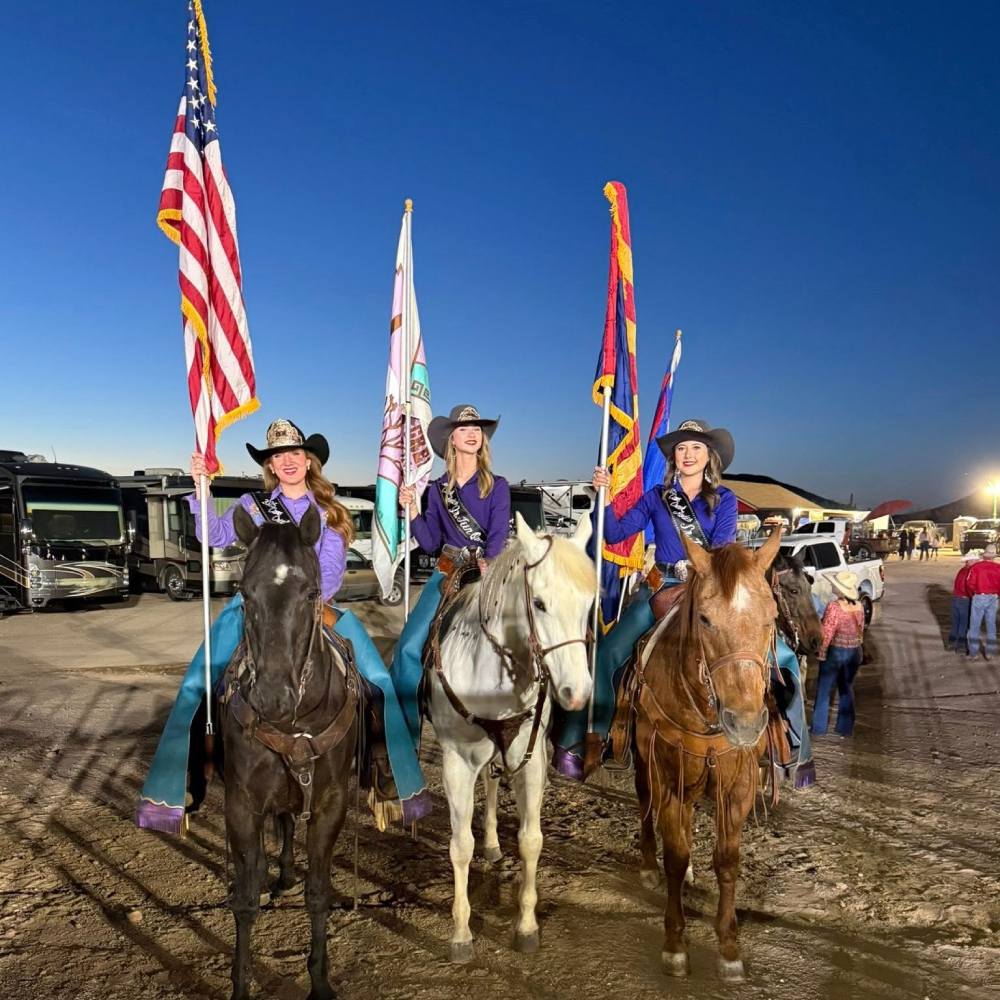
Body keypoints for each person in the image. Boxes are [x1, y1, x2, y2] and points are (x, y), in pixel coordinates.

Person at [137, 419, 430, 834]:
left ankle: (386, 774)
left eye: (295, 454)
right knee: (197, 681)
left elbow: (329, 570)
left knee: (378, 679)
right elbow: (214, 535)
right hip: (253, 608)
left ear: (308, 461)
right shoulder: (252, 505)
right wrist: (202, 490)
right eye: (278, 456)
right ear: (270, 466)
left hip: (313, 607)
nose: (288, 462)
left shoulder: (328, 511)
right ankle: (185, 777)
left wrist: (299, 599)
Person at [553, 419, 738, 780]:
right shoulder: (656, 496)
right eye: (681, 448)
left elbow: (722, 548)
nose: (687, 454)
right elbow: (615, 533)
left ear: (709, 456)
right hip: (660, 585)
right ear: (673, 457)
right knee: (606, 653)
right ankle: (586, 737)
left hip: (706, 588)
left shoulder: (725, 499)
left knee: (762, 651)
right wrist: (602, 497)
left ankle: (780, 742)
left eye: (696, 448)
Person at [392, 405, 510, 745]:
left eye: (477, 428)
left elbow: (499, 532)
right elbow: (429, 543)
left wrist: (489, 559)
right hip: (446, 574)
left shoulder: (496, 485)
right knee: (408, 649)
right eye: (464, 428)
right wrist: (413, 509)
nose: (473, 433)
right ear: (451, 440)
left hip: (485, 574)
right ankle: (406, 735)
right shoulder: (437, 488)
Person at [810, 571, 865, 737]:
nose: (832, 585)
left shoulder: (834, 607)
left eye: (834, 584)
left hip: (835, 653)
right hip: (854, 652)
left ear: (840, 589)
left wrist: (821, 653)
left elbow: (826, 634)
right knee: (846, 689)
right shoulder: (859, 606)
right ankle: (845, 728)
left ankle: (819, 728)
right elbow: (861, 629)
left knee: (824, 691)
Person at [966, 544, 1000, 660]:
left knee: (975, 625)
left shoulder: (976, 567)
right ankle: (989, 652)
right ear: (993, 556)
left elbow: (969, 583)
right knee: (991, 625)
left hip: (979, 596)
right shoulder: (998, 568)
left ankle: (974, 653)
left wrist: (975, 593)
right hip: (993, 597)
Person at [949, 552, 978, 653]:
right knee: (964, 624)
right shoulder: (971, 571)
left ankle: (952, 643)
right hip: (964, 599)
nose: (976, 561)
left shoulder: (962, 570)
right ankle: (961, 646)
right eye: (974, 560)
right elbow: (968, 587)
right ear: (969, 561)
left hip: (956, 598)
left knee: (956, 623)